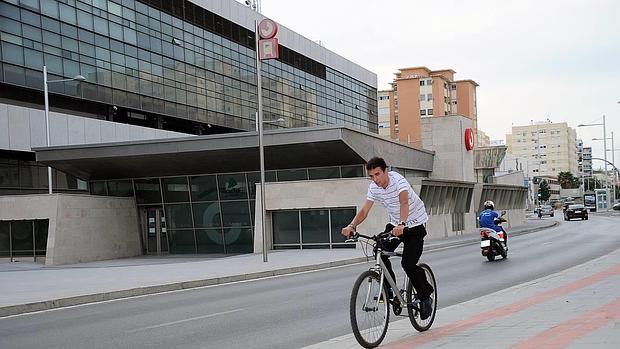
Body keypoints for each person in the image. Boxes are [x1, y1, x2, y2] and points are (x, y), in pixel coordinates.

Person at [341, 157, 434, 320]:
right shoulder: (374, 188)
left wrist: (402, 224)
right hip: (395, 225)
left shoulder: (398, 181)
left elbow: (404, 202)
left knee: (408, 263)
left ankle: (425, 296)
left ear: (386, 171)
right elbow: (364, 211)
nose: (375, 179)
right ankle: (389, 290)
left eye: (377, 174)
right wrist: (351, 226)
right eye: (371, 176)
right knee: (380, 250)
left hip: (415, 225)